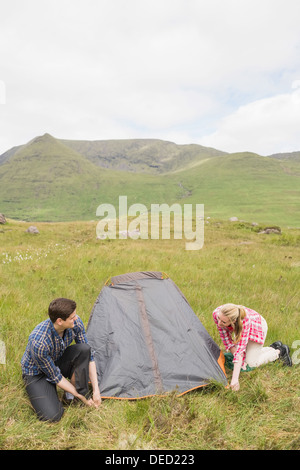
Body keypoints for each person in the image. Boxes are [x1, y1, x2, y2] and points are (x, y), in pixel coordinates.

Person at [21, 297, 101, 422]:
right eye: (72, 317)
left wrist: (96, 390)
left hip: (56, 360)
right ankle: (68, 394)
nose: (76, 318)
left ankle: (72, 396)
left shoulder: (75, 323)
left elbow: (89, 355)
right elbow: (55, 376)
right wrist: (81, 396)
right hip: (37, 374)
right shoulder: (39, 341)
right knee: (52, 416)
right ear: (59, 321)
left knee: (84, 349)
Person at [213, 303, 292, 391]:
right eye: (219, 318)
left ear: (233, 320)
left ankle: (280, 351)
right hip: (239, 328)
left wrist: (235, 380)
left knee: (251, 363)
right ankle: (272, 347)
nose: (219, 323)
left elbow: (239, 351)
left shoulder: (244, 322)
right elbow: (228, 341)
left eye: (223, 322)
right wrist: (240, 360)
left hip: (257, 327)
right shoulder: (217, 314)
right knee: (242, 360)